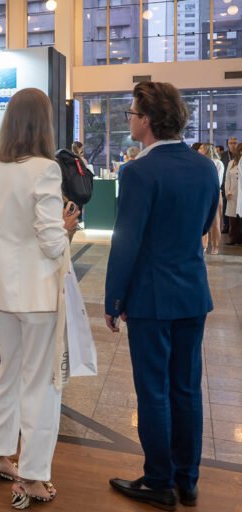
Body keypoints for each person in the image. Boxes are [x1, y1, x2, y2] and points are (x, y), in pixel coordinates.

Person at [0, 88, 80, 507]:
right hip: (36, 290)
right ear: (43, 123)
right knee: (41, 382)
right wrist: (66, 228)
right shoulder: (44, 169)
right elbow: (50, 241)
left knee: (8, 370)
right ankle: (32, 475)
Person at [106, 81, 218, 510]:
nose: (130, 120)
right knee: (186, 388)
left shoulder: (138, 171)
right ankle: (187, 480)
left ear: (148, 120)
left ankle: (158, 481)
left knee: (154, 391)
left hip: (151, 299)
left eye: (132, 114)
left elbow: (127, 241)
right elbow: (204, 224)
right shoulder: (204, 167)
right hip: (192, 293)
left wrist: (114, 300)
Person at [198, 143, 224, 254]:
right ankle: (203, 245)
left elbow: (218, 180)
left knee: (215, 221)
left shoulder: (218, 163)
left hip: (214, 192)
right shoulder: (198, 162)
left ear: (208, 149)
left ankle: (215, 246)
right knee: (201, 220)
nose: (199, 150)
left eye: (201, 148)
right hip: (201, 193)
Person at [225, 145, 242, 245]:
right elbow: (227, 179)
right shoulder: (231, 163)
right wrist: (227, 191)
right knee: (233, 218)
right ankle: (233, 238)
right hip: (233, 194)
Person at [220, 137, 238, 233]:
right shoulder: (223, 155)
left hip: (236, 185)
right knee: (225, 206)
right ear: (228, 144)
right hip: (225, 183)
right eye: (231, 143)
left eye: (234, 143)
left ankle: (236, 229)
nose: (233, 145)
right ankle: (226, 226)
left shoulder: (239, 155)